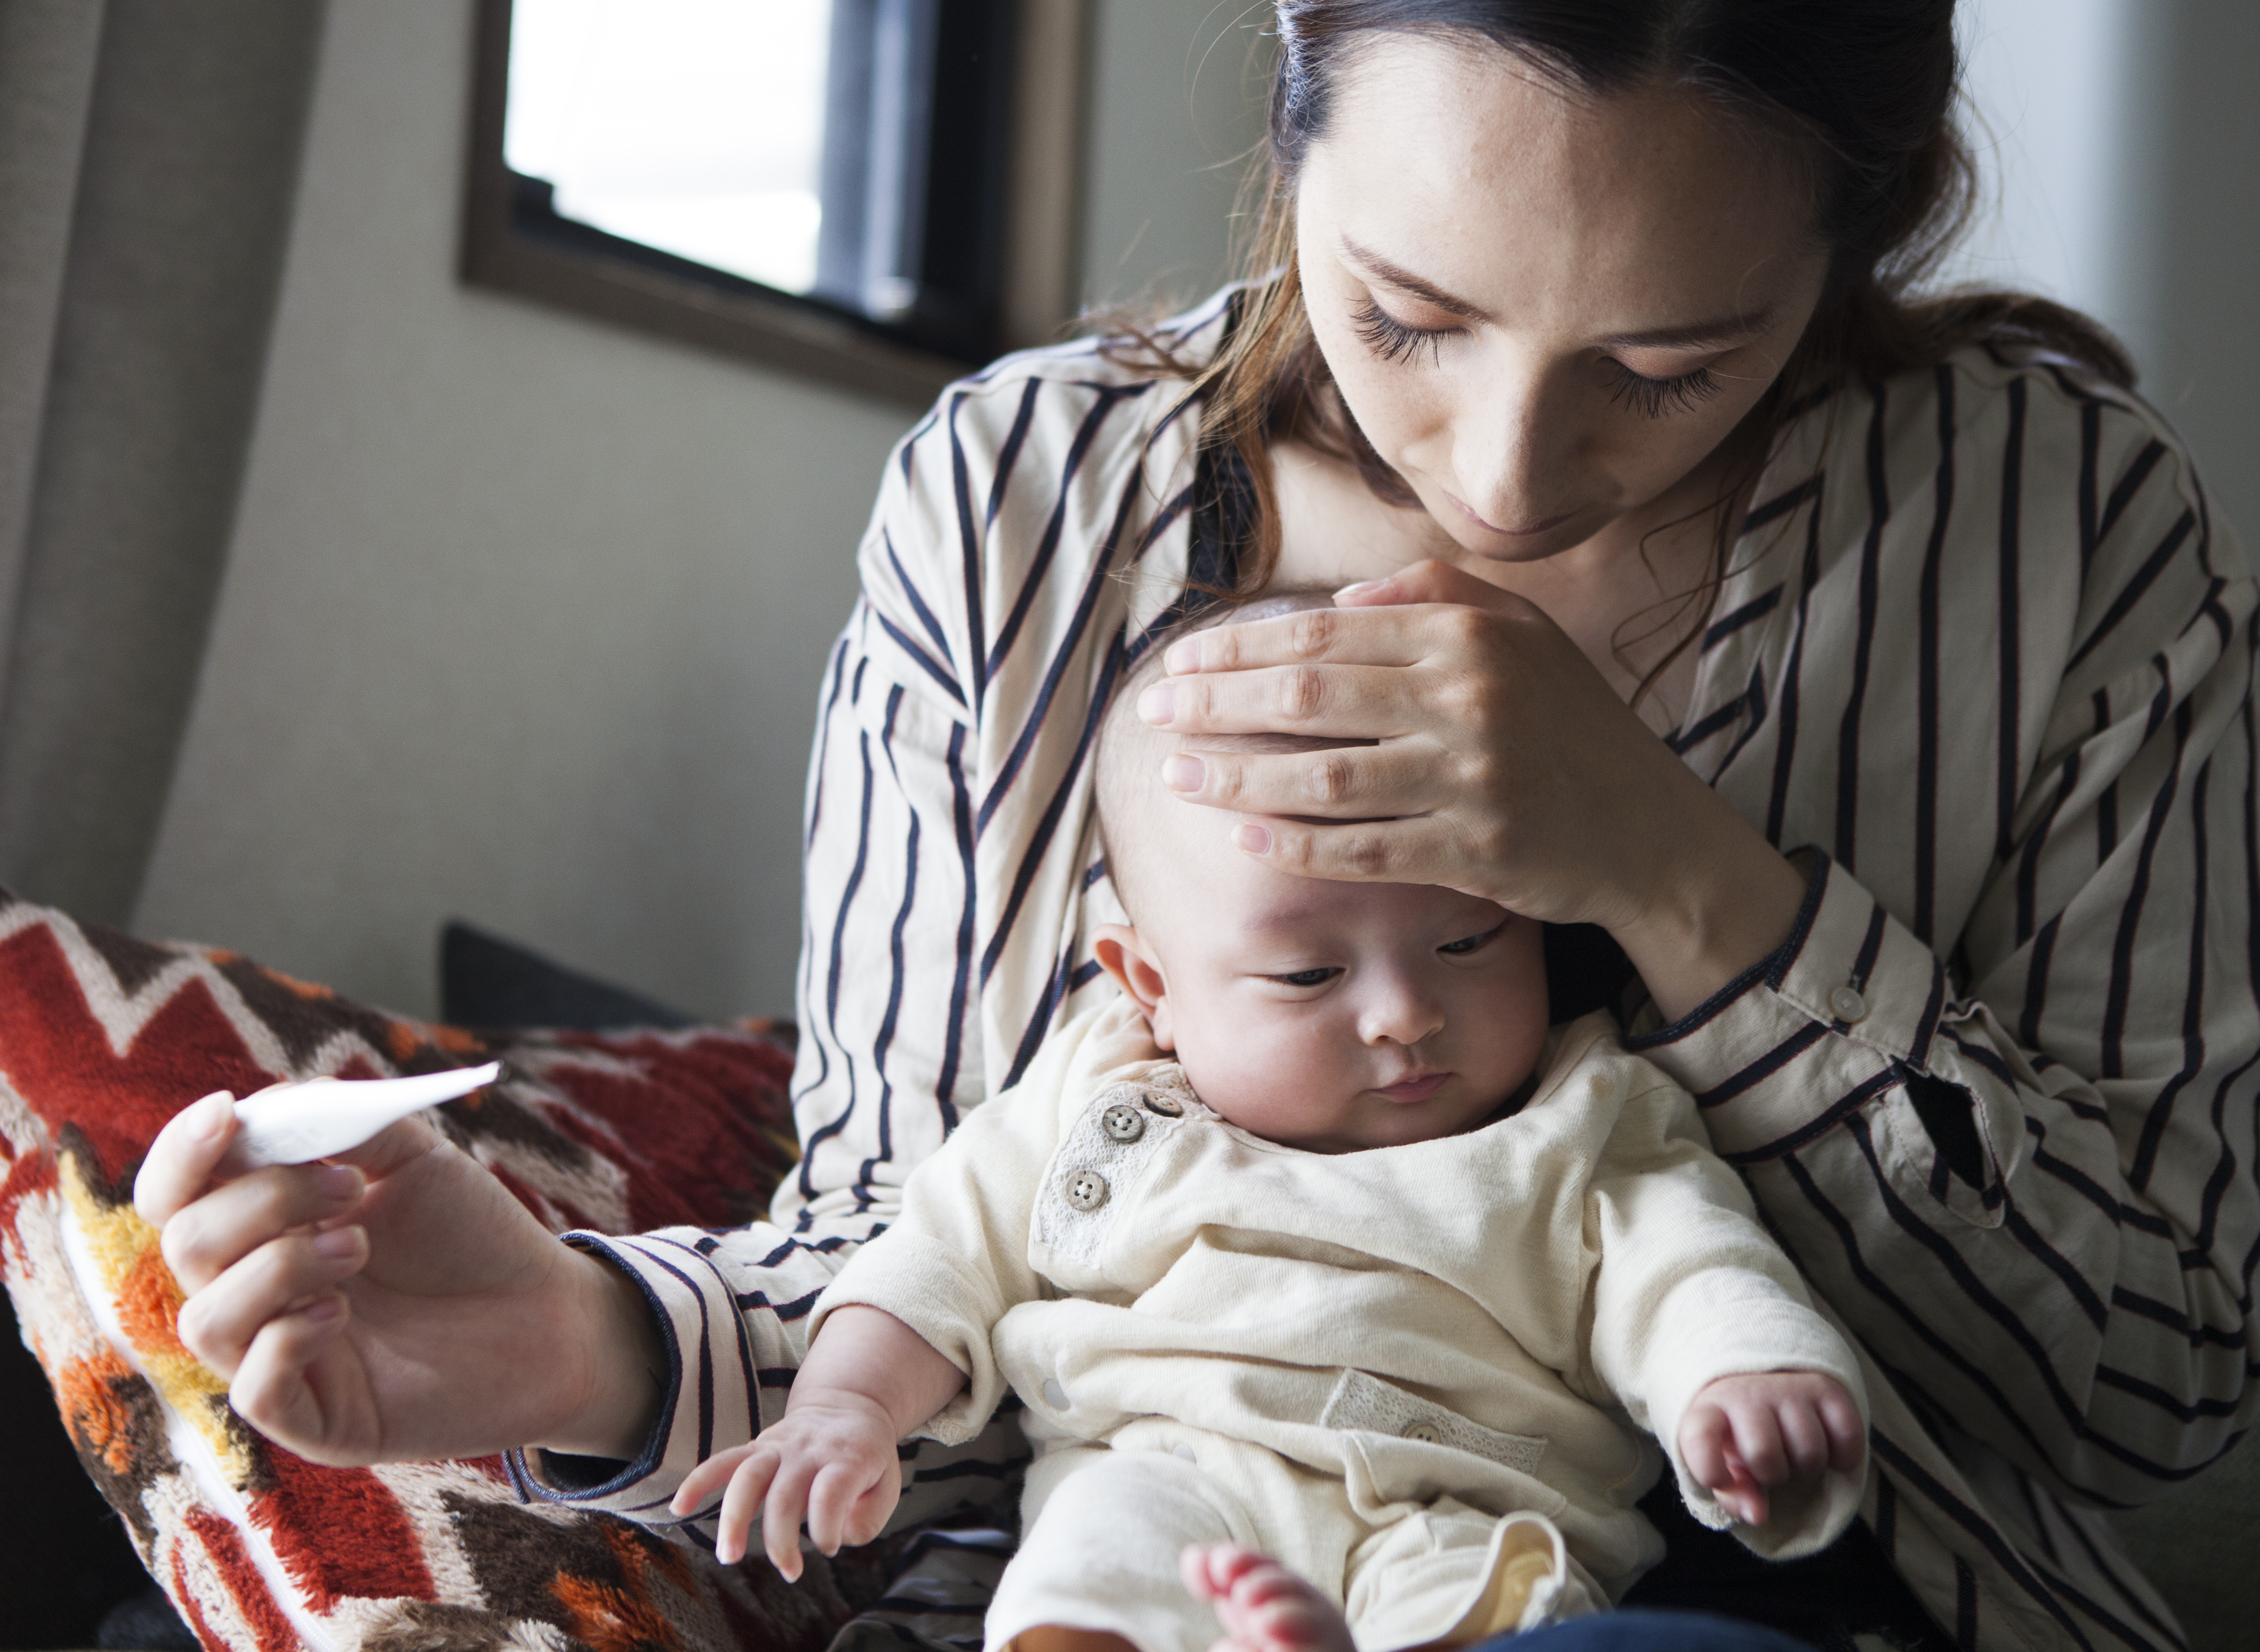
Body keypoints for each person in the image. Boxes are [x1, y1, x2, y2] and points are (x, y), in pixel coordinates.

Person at [135, 0, 2260, 1648]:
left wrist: (1671, 873)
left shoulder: (2072, 545)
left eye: (1669, 368)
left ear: (1867, 225)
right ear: (1291, 76)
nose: (1504, 469)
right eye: (1410, 311)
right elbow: (928, 1268)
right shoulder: (1017, 511)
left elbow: (2156, 1382)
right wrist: (574, 1343)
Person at [668, 614, 1872, 1652]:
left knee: (1497, 1608)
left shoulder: (1586, 1113)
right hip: (1169, 1470)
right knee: (1092, 1571)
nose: (1405, 1012)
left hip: (1466, 1506)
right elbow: (933, 1256)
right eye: (1305, 974)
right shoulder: (1098, 1096)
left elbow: (1693, 1265)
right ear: (1152, 985)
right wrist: (844, 1408)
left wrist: (1745, 1378)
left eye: (1469, 941)